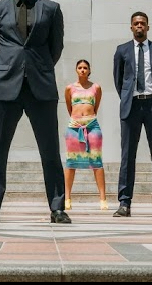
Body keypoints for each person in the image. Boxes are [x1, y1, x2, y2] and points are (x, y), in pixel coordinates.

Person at [0, 0, 69, 224]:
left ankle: (57, 208)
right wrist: (6, 70)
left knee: (50, 150)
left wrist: (37, 68)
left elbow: (56, 48)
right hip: (6, 87)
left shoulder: (51, 9)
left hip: (41, 87)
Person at [112, 11, 152, 218]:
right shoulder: (122, 50)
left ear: (148, 27)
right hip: (131, 105)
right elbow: (119, 80)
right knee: (127, 155)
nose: (139, 26)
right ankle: (124, 203)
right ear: (131, 27)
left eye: (143, 23)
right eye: (136, 23)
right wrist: (128, 97)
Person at [63, 59, 107, 211]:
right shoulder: (69, 88)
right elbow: (69, 107)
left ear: (89, 70)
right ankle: (67, 197)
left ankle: (103, 199)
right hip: (74, 127)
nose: (82, 70)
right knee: (71, 162)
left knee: (97, 161)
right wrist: (77, 120)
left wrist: (87, 120)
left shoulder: (96, 87)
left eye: (85, 68)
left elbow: (96, 106)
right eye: (80, 68)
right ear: (76, 70)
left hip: (92, 126)